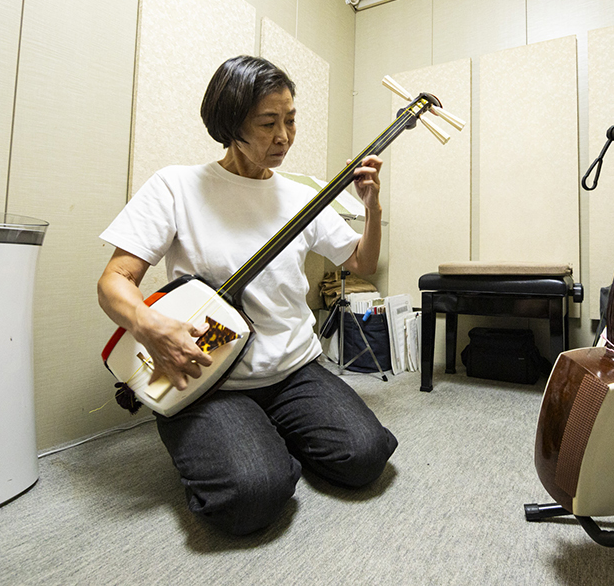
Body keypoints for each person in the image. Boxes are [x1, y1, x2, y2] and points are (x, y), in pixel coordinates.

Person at [97, 55, 397, 536]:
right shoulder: (177, 186)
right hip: (208, 379)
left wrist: (373, 208)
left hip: (293, 369)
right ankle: (245, 445)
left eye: (291, 120)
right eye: (268, 123)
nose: (284, 137)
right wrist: (152, 327)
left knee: (366, 458)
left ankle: (269, 434)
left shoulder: (303, 196)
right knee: (251, 498)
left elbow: (360, 263)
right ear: (230, 123)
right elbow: (114, 281)